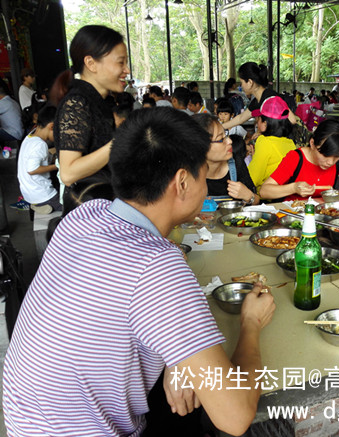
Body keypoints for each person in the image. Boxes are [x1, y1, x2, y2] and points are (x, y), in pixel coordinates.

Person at [3, 107, 276, 436]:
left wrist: (177, 357)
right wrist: (250, 324)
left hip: (26, 422)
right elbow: (236, 417)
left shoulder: (86, 214)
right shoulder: (158, 267)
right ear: (183, 182)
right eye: (204, 173)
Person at [50, 25, 129, 199]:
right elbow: (68, 173)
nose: (127, 70)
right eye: (120, 62)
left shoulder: (99, 102)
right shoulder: (77, 103)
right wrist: (122, 140)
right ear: (91, 63)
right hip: (89, 213)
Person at [260, 119, 339, 201]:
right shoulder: (296, 158)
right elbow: (264, 191)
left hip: (324, 213)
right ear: (312, 143)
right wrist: (294, 188)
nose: (330, 162)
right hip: (294, 214)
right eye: (325, 155)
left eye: (336, 157)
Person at [193, 113, 259, 205]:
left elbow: (257, 200)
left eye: (226, 136)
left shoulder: (236, 162)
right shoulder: (187, 173)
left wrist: (249, 197)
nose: (229, 141)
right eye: (221, 139)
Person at [222, 62, 295, 131]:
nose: (241, 86)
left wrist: (266, 132)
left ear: (250, 82)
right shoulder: (257, 101)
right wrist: (219, 127)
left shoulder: (270, 97)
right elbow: (240, 118)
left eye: (242, 82)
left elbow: (292, 120)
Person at [17, 106, 61, 214]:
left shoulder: (30, 137)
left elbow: (39, 159)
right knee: (70, 207)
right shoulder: (40, 145)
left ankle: (39, 204)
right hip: (42, 194)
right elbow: (32, 169)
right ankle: (45, 205)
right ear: (52, 126)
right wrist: (58, 165)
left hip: (29, 193)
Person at [246, 96, 296, 191]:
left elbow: (252, 179)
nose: (257, 123)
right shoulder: (290, 143)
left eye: (258, 119)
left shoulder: (264, 141)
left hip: (266, 198)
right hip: (284, 195)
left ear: (265, 123)